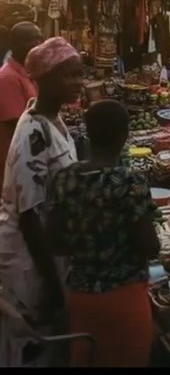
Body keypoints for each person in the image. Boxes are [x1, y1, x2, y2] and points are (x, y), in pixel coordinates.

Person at [48, 100, 160, 368]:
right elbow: (149, 247)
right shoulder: (130, 182)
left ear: (87, 133)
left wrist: (88, 243)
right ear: (124, 135)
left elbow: (55, 241)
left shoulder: (66, 179)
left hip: (81, 297)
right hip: (125, 300)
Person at [0, 38, 84, 367]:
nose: (78, 83)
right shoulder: (32, 134)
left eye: (80, 74)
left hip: (48, 255)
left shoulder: (53, 121)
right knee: (32, 348)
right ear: (45, 78)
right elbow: (30, 215)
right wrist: (51, 281)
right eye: (69, 76)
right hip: (29, 260)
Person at [0, 22, 43, 187]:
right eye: (30, 40)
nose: (37, 44)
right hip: (17, 163)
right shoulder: (6, 78)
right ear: (14, 45)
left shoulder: (28, 73)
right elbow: (17, 126)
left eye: (40, 39)